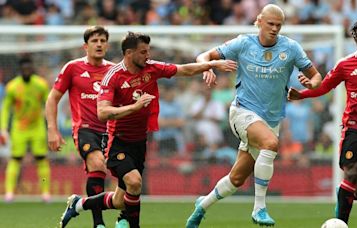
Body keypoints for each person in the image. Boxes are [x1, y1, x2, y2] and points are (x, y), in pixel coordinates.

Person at [59, 32, 237, 228]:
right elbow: (102, 112)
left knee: (121, 199)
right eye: (143, 52)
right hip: (117, 141)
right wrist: (134, 108)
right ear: (129, 53)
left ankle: (79, 204)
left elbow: (184, 69)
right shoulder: (113, 76)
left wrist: (211, 65)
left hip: (140, 140)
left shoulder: (152, 68)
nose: (147, 55)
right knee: (134, 182)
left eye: (148, 51)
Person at [186, 4, 322, 227]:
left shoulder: (291, 48)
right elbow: (203, 55)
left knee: (237, 179)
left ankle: (201, 206)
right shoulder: (243, 43)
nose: (275, 28)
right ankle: (259, 208)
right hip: (242, 111)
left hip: (271, 119)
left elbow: (316, 76)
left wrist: (309, 86)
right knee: (270, 143)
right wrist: (208, 66)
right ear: (259, 21)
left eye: (279, 25)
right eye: (270, 24)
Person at [287, 18, 357, 224]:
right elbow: (325, 86)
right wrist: (301, 95)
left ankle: (343, 202)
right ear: (354, 38)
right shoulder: (345, 64)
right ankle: (340, 223)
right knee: (352, 172)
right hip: (354, 129)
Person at [45, 26, 114, 228]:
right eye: (95, 41)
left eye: (103, 40)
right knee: (97, 163)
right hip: (85, 129)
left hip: (110, 130)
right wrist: (52, 129)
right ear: (86, 46)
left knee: (123, 179)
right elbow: (52, 99)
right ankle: (99, 224)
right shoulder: (72, 68)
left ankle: (79, 204)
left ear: (107, 45)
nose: (99, 44)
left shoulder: (113, 70)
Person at [0, 56, 50, 202]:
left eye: (29, 67)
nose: (27, 70)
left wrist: (51, 124)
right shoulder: (12, 86)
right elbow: (6, 109)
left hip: (37, 127)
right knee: (15, 159)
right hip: (19, 128)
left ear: (32, 68)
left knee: (41, 159)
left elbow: (48, 104)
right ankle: (9, 193)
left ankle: (45, 193)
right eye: (24, 68)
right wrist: (3, 129)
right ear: (20, 69)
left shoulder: (41, 84)